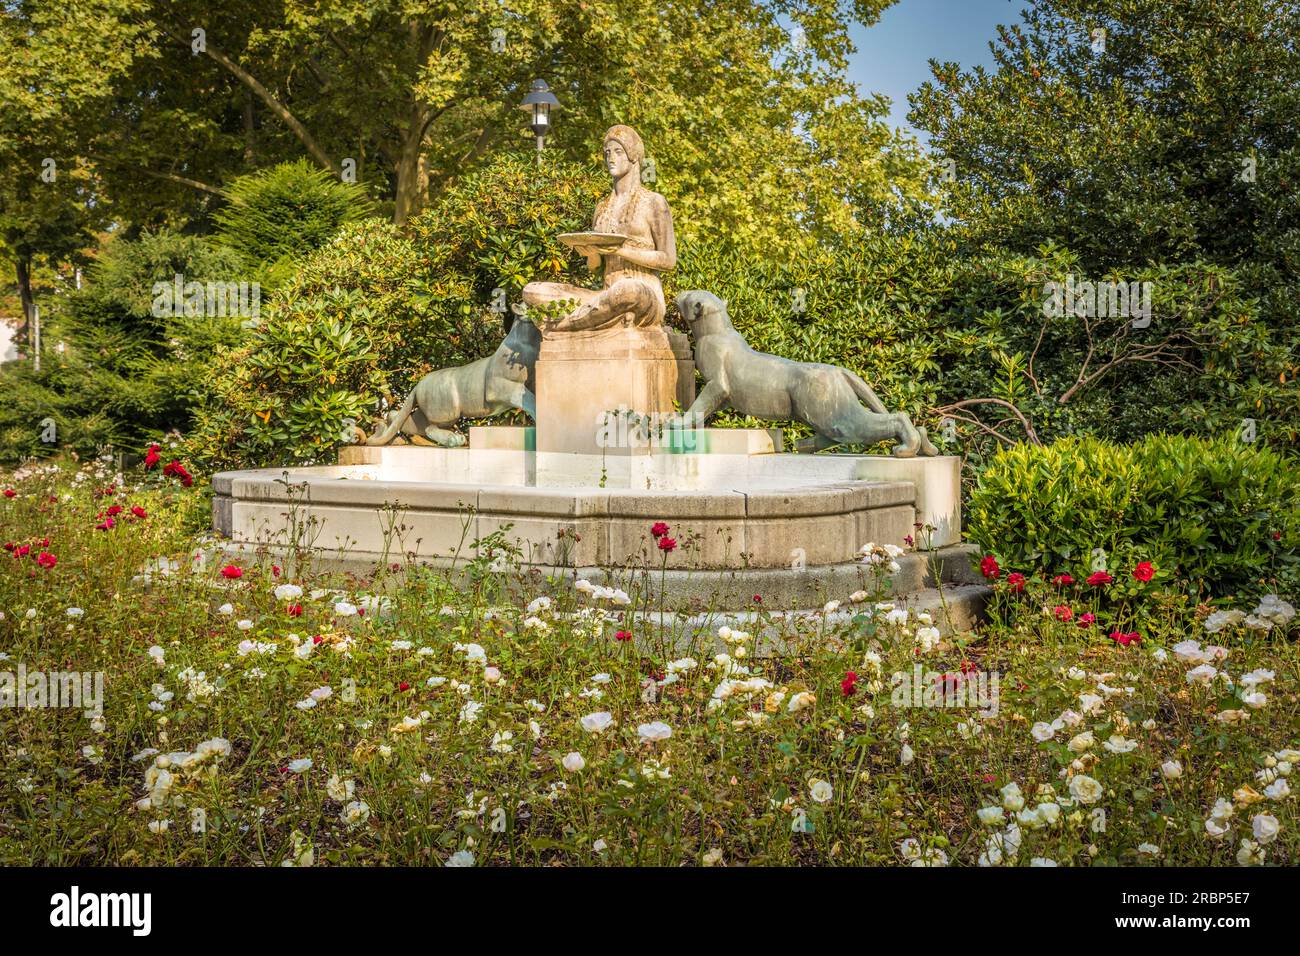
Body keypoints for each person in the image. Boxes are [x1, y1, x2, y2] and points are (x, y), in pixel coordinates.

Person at [522, 124, 676, 333]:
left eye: (618, 151)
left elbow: (668, 260)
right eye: (607, 153)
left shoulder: (654, 202)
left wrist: (620, 250)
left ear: (633, 156)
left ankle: (564, 326)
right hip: (605, 295)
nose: (611, 158)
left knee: (626, 291)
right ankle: (590, 318)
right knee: (533, 291)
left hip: (642, 293)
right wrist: (592, 254)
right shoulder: (602, 207)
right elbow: (595, 267)